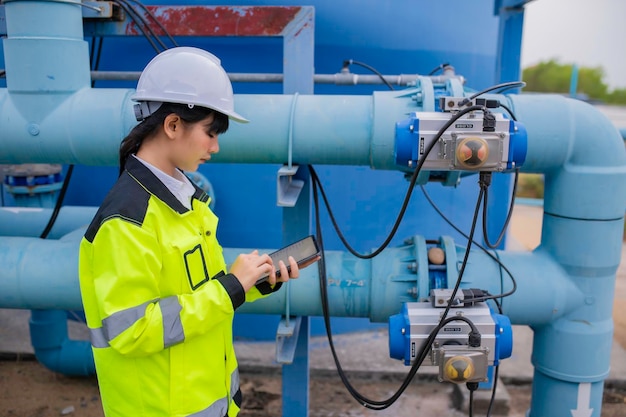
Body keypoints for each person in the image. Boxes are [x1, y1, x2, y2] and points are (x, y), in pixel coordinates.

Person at [78, 47, 314, 417]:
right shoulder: (126, 222)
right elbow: (133, 331)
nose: (216, 146)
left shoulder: (189, 202)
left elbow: (201, 296)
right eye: (210, 132)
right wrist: (230, 288)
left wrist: (252, 282)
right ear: (173, 125)